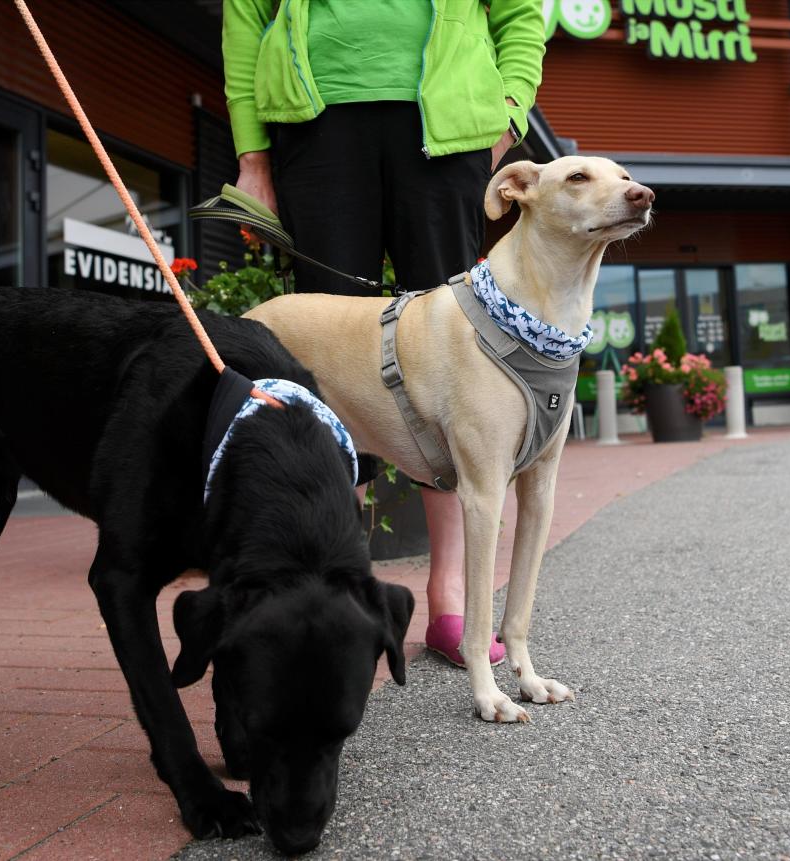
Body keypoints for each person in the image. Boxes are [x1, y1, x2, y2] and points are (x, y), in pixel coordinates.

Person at [222, 0, 546, 667]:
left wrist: (507, 111)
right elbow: (244, 23)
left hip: (447, 131)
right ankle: (340, 586)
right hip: (315, 129)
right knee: (327, 361)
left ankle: (450, 599)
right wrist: (252, 159)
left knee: (455, 356)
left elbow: (520, 17)